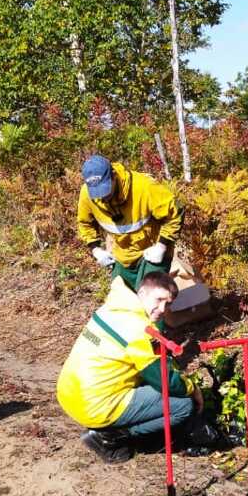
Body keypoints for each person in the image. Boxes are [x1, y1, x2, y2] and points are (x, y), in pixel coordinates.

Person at [57, 271, 201, 463]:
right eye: (158, 299)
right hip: (94, 406)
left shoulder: (112, 308)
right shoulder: (139, 330)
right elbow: (166, 381)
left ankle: (109, 427)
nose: (162, 308)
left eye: (167, 304)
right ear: (142, 293)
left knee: (145, 378)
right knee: (183, 405)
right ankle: (111, 436)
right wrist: (193, 388)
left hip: (68, 393)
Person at [77, 154, 183, 291]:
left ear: (114, 176)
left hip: (152, 251)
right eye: (97, 192)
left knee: (150, 298)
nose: (103, 197)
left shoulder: (144, 186)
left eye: (105, 190)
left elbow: (175, 213)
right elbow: (85, 223)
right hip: (122, 255)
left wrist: (161, 246)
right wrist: (96, 249)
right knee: (123, 300)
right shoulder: (87, 194)